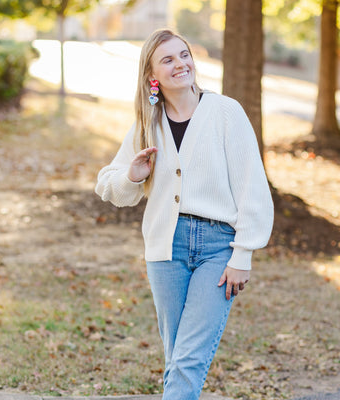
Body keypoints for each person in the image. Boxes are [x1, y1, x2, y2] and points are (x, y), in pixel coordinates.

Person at [95, 28, 274, 400]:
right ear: (152, 77)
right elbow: (108, 185)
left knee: (187, 362)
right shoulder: (148, 125)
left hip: (217, 248)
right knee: (176, 360)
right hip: (165, 249)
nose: (181, 64)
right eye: (168, 59)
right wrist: (132, 175)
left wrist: (244, 254)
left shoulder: (226, 112)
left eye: (184, 54)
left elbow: (252, 187)